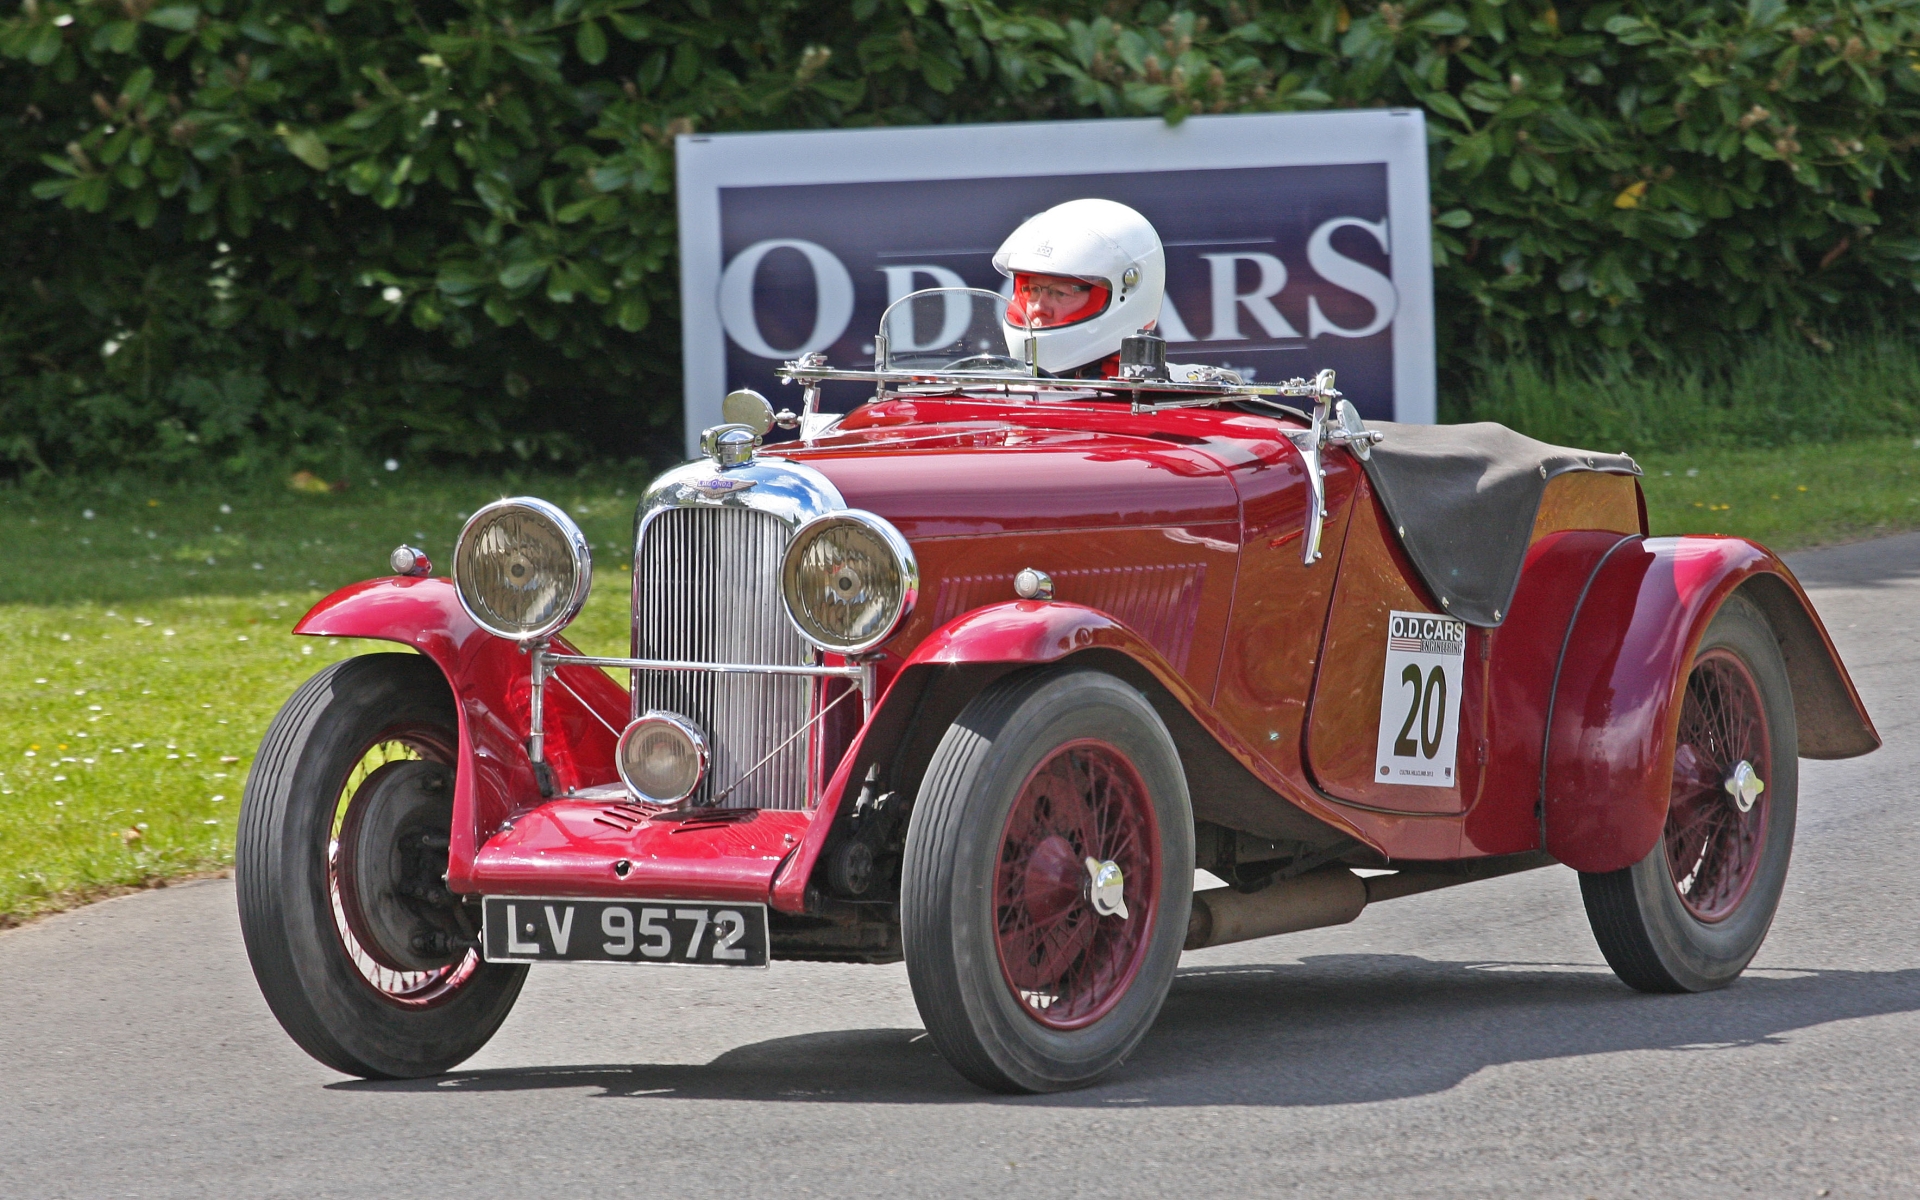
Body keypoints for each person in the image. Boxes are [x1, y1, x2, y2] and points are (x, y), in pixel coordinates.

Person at [992, 198, 1235, 383]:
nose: (1038, 308)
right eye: (1031, 289)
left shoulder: (1185, 395)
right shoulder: (991, 392)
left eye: (1059, 293)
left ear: (1124, 293)